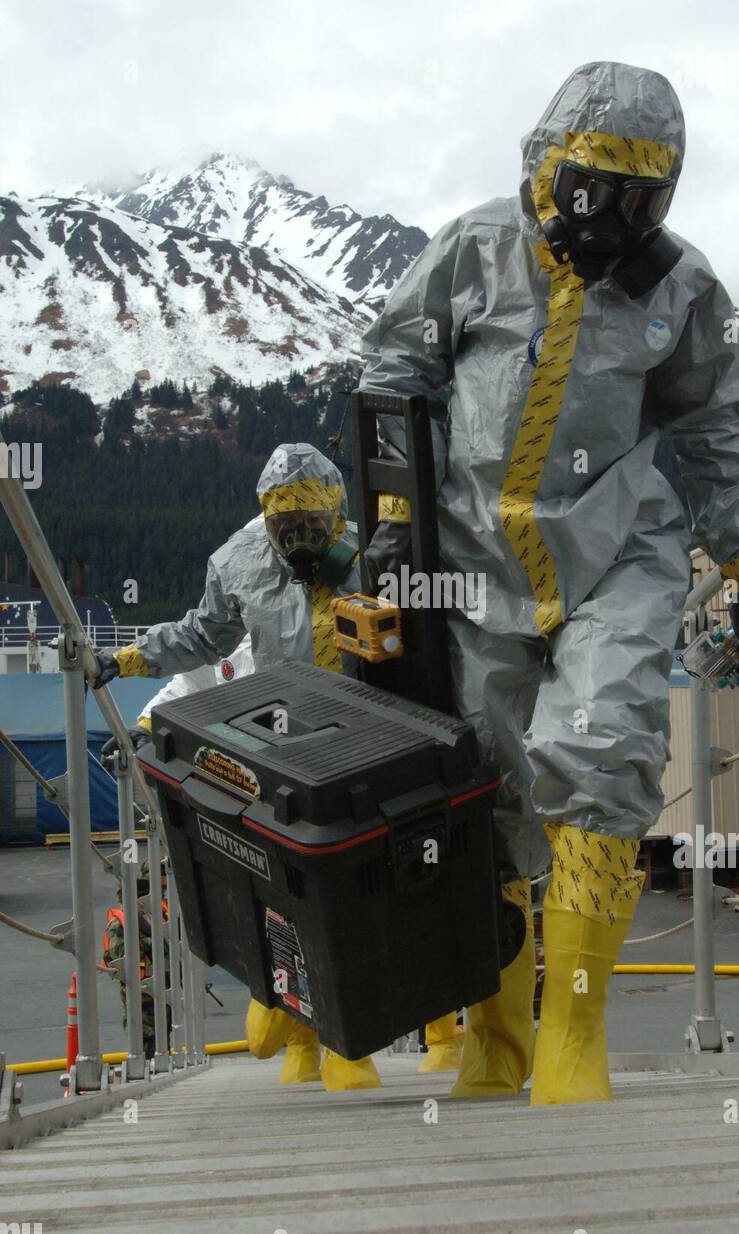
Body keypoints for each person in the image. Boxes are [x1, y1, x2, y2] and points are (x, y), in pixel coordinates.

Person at [360, 60, 739, 1106]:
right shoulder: (471, 251)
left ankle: (572, 1036)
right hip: (472, 567)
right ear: (548, 166)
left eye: (642, 197)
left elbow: (716, 423)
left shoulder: (678, 287)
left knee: (595, 749)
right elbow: (392, 373)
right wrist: (395, 527)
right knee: (490, 790)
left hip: (618, 554)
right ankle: (497, 1042)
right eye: (596, 187)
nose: (614, 218)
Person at [92, 442, 463, 1083]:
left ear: (336, 515)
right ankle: (311, 1039)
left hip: (378, 734)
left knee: (405, 871)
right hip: (288, 745)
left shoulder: (377, 549)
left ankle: (441, 1033)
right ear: (265, 520)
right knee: (295, 885)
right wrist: (123, 661)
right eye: (285, 528)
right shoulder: (237, 563)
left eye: (314, 527)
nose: (300, 539)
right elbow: (200, 635)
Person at [102, 862, 169, 1059]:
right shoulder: (118, 924)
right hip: (139, 993)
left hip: (161, 989)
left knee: (163, 1036)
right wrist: (150, 942)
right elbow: (120, 955)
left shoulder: (155, 917)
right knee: (144, 1041)